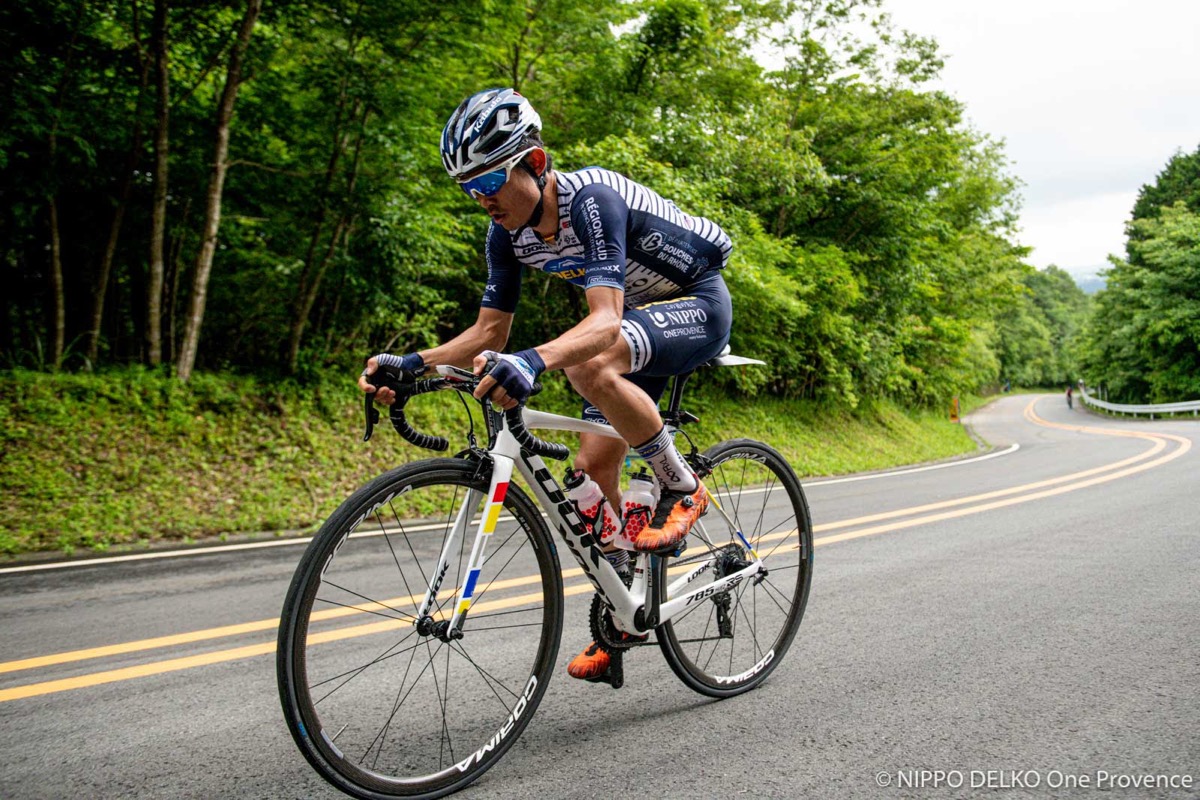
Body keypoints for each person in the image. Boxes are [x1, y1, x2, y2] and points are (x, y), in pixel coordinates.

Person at [358, 88, 734, 682]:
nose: (481, 202)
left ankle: (681, 487)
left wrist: (531, 362)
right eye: (468, 190)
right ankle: (626, 613)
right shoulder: (505, 234)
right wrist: (413, 363)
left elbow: (605, 320)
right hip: (637, 323)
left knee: (589, 365)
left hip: (696, 305)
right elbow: (488, 331)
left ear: (534, 164)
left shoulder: (592, 200)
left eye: (487, 185)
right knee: (589, 476)